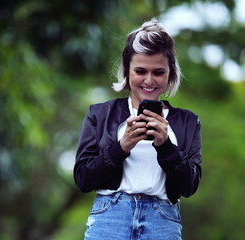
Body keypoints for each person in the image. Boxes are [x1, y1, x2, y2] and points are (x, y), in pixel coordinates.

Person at [73, 18, 202, 240]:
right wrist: (121, 147)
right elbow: (83, 179)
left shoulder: (187, 121)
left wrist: (166, 147)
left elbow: (189, 186)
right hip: (109, 216)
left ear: (170, 73)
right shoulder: (100, 114)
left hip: (163, 220)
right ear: (127, 72)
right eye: (140, 71)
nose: (149, 80)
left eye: (158, 72)